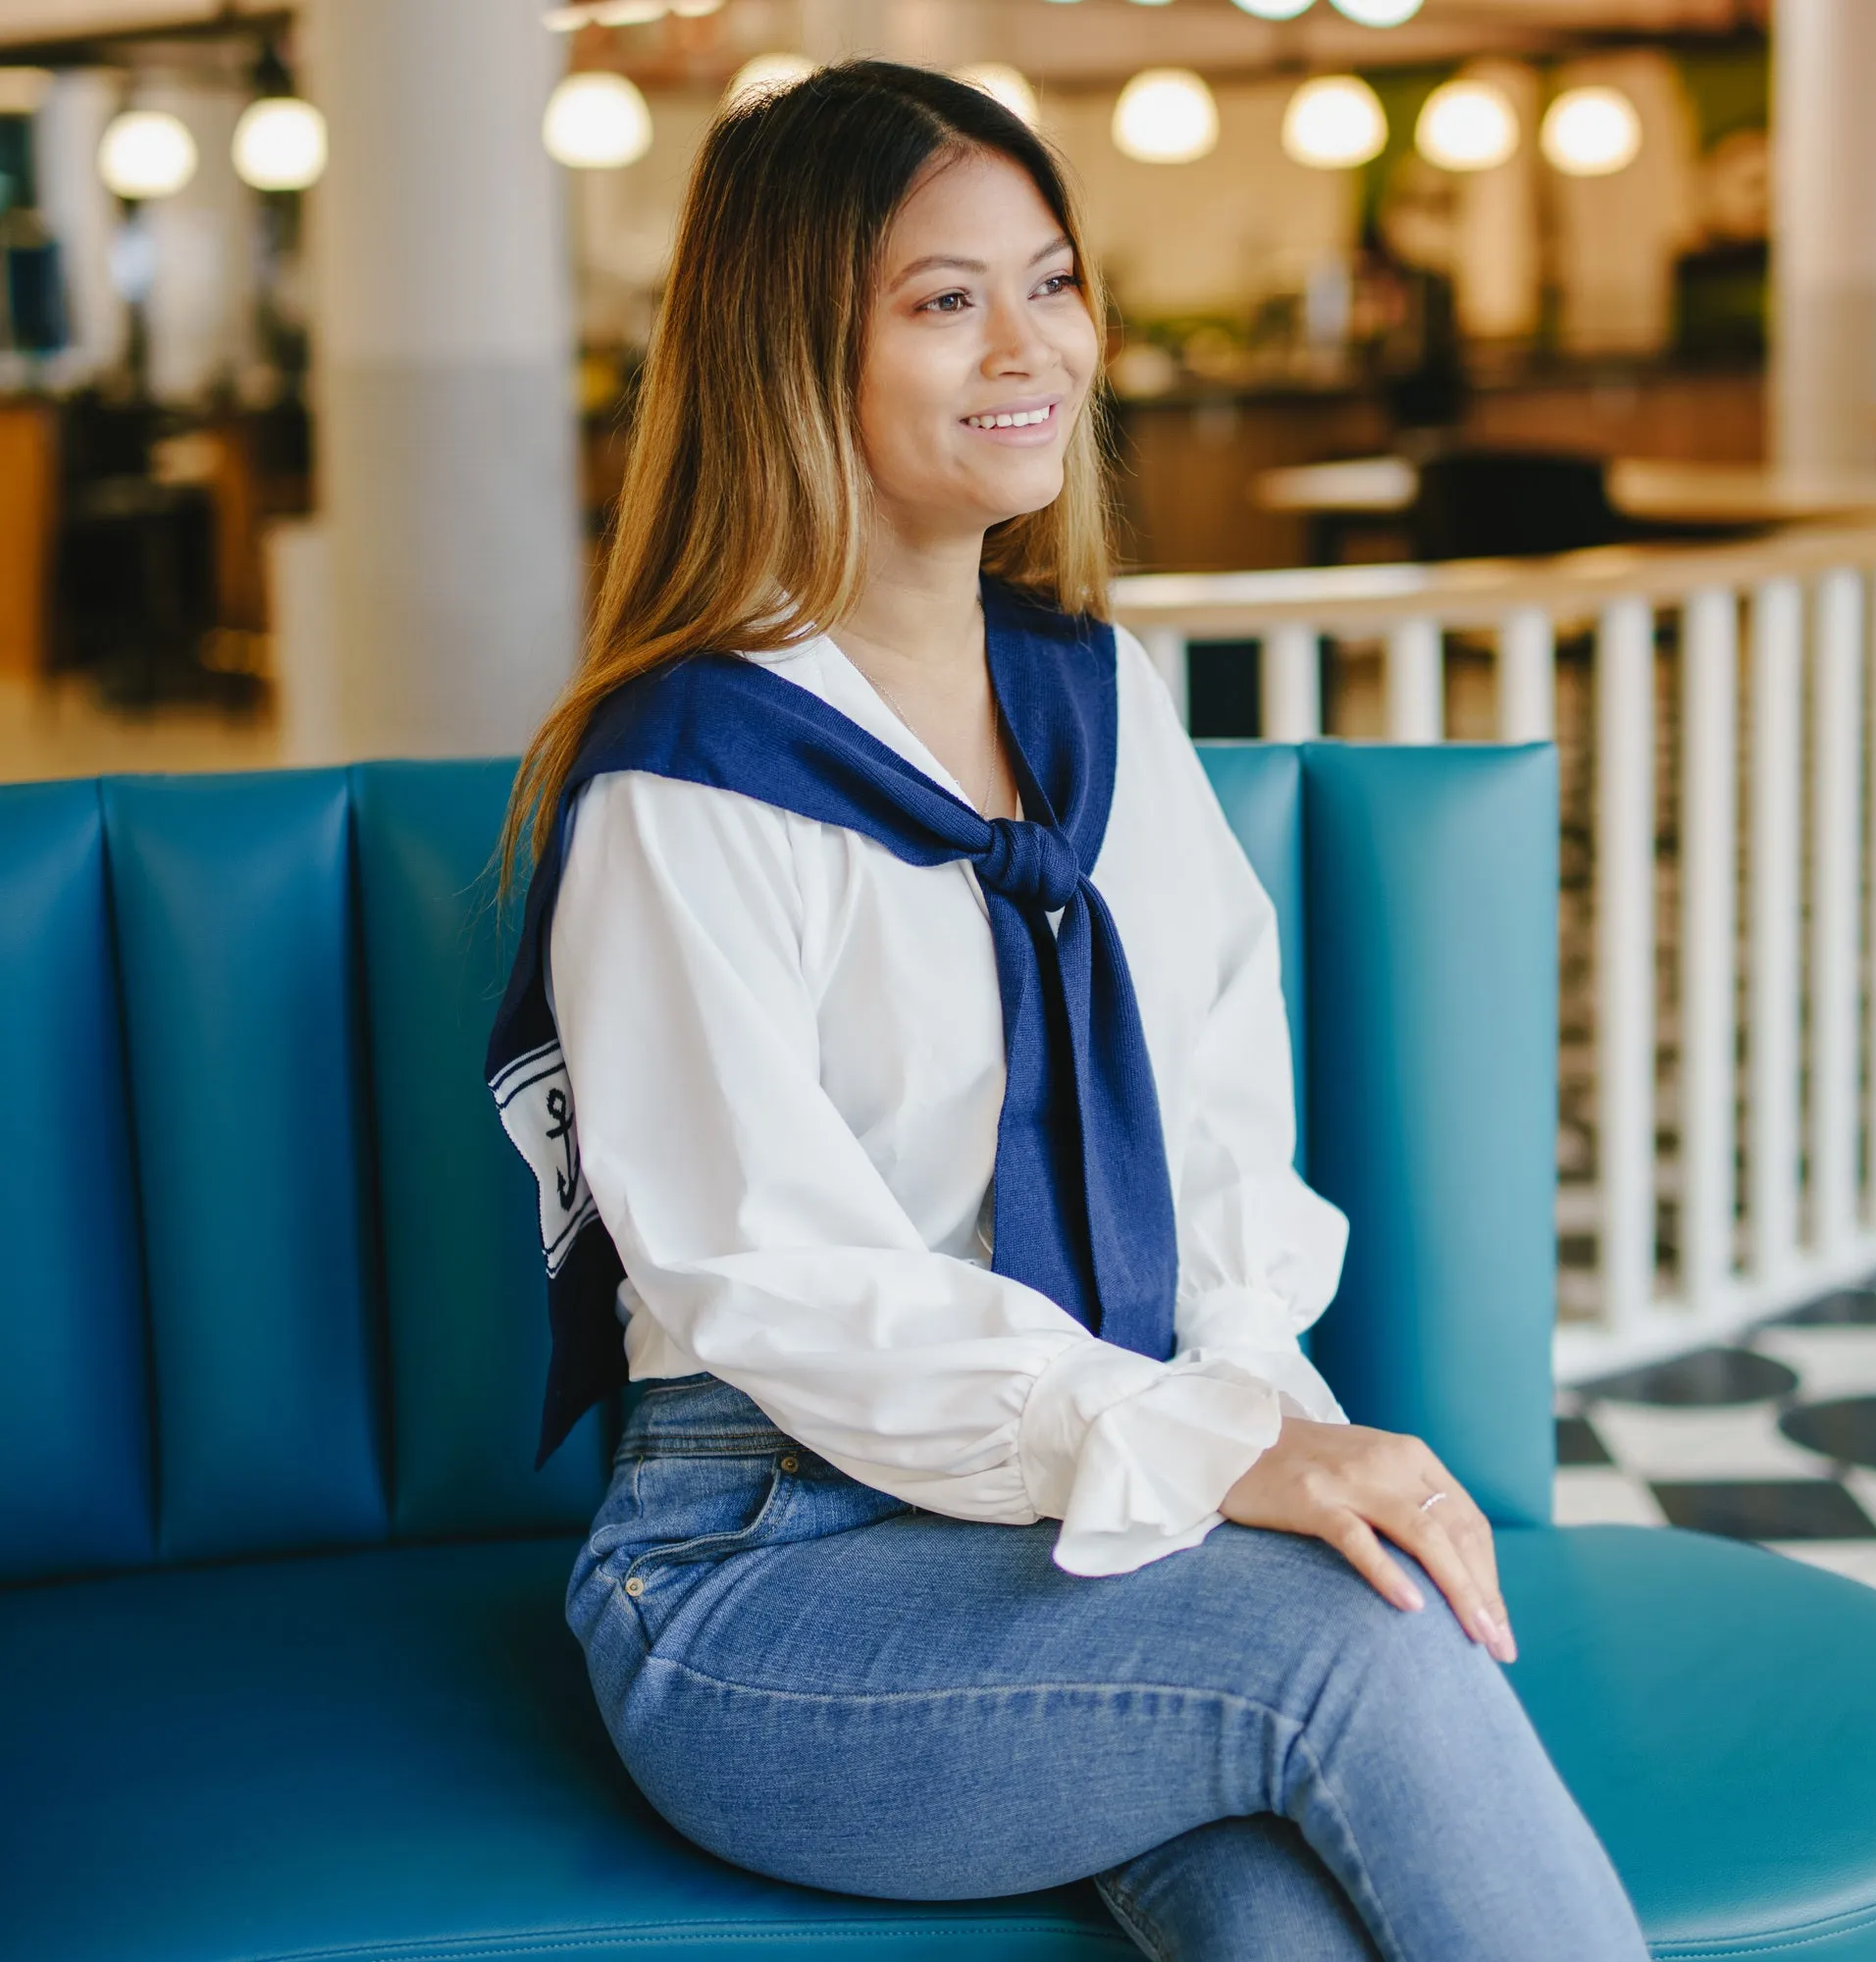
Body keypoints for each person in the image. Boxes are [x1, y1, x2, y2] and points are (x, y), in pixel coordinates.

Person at [488, 60, 1648, 1961]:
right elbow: (769, 1282)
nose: (1031, 346)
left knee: (1284, 1918)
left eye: (1052, 280)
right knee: (1359, 1649)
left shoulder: (1102, 701)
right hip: (771, 1569)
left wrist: (1251, 1434)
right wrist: (1213, 1460)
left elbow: (1214, 1147)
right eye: (944, 300)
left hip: (1080, 1504)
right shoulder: (687, 780)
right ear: (795, 353)